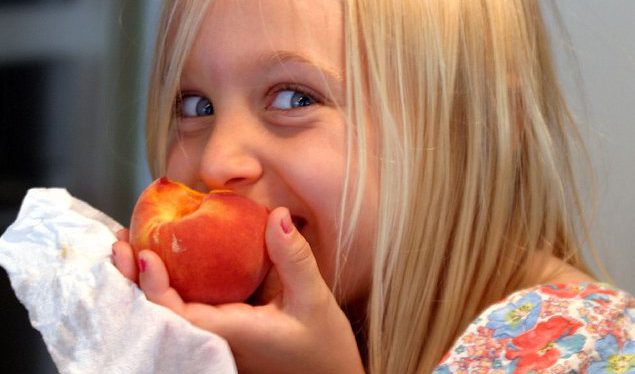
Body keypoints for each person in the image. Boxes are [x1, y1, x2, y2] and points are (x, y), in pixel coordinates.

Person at [111, 1, 635, 373]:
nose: (216, 160)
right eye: (195, 106)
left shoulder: (586, 349)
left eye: (294, 98)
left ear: (477, 123)